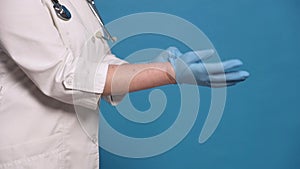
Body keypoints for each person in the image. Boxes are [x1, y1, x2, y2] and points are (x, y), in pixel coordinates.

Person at [0, 0, 249, 169]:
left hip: (69, 150)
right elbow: (63, 75)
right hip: (30, 153)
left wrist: (149, 67)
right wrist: (168, 73)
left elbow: (92, 62)